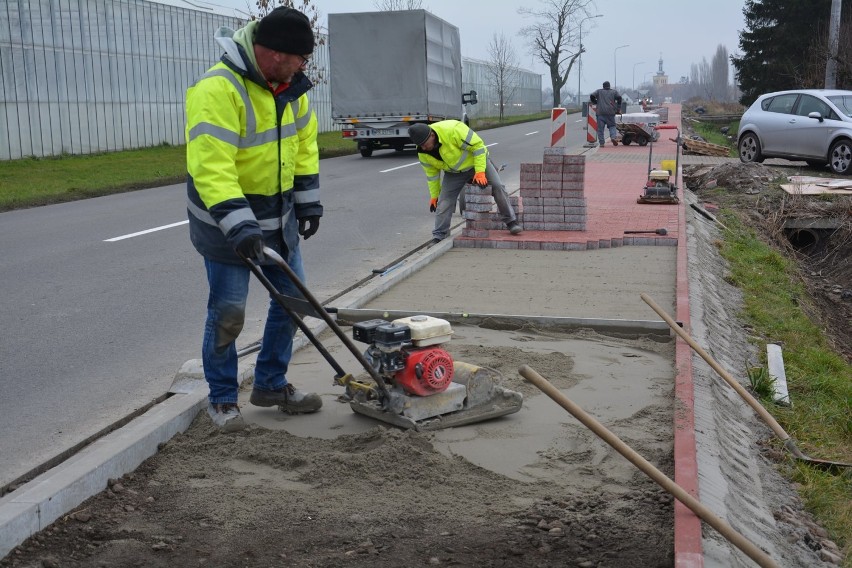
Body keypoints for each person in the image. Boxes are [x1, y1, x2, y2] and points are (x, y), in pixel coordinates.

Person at [185, 7, 323, 432]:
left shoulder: (292, 90)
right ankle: (223, 400)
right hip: (227, 225)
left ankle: (270, 384)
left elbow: (304, 146)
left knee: (294, 305)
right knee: (229, 313)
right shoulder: (218, 89)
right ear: (276, 54)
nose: (304, 67)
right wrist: (239, 224)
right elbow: (212, 166)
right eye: (300, 59)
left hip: (277, 222)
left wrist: (308, 202)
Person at [408, 121, 522, 242]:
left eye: (425, 144)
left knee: (497, 186)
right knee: (444, 202)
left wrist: (479, 172)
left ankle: (511, 222)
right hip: (453, 173)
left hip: (477, 163)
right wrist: (434, 195)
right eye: (420, 146)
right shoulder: (422, 151)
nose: (424, 148)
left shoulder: (453, 130)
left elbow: (479, 147)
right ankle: (439, 235)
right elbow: (432, 175)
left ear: (432, 135)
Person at [589, 81, 623, 146]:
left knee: (600, 129)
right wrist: (618, 108)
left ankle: (602, 143)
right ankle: (613, 137)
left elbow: (592, 95)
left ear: (603, 86)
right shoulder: (614, 92)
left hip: (600, 113)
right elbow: (619, 98)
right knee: (612, 126)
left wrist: (595, 102)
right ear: (609, 86)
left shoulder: (599, 91)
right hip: (610, 113)